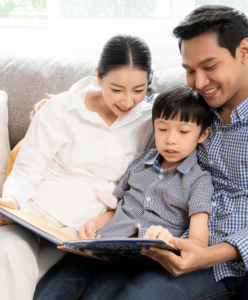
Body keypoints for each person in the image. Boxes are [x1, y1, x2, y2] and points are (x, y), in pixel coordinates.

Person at [33, 5, 248, 300]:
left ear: (244, 50)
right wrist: (61, 106)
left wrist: (207, 255)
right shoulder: (190, 107)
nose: (199, 82)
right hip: (192, 252)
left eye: (210, 67)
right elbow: (129, 95)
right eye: (189, 71)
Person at [0, 34, 156, 300]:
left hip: (83, 232)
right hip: (38, 214)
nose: (128, 101)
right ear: (98, 76)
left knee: (23, 277)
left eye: (138, 90)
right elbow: (27, 170)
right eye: (116, 89)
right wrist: (10, 201)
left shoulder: (152, 119)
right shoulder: (61, 108)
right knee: (8, 247)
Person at [79, 85, 213, 246]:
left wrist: (170, 240)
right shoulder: (140, 162)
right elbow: (120, 210)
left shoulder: (199, 181)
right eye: (162, 129)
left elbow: (199, 242)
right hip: (106, 243)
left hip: (152, 256)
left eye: (183, 132)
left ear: (203, 134)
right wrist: (93, 224)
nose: (170, 139)